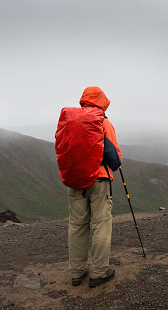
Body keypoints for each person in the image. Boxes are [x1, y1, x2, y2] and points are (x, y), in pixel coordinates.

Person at [68, 86, 122, 288]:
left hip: (75, 180)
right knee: (100, 225)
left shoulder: (71, 121)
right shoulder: (103, 122)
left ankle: (77, 273)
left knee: (77, 226)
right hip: (99, 180)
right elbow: (114, 160)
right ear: (102, 101)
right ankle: (98, 273)